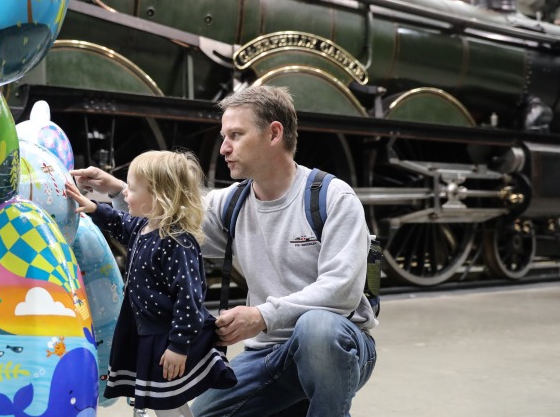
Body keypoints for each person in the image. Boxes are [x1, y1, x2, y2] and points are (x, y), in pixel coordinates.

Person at [71, 85, 378, 416]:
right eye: (223, 136)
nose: (223, 148)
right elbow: (168, 216)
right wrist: (120, 189)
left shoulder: (331, 198)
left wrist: (262, 315)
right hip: (265, 354)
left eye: (235, 135)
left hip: (337, 346)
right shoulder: (232, 202)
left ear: (274, 133)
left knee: (317, 328)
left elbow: (342, 289)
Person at [65, 150, 237, 417]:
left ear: (159, 197)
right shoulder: (144, 228)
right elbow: (121, 222)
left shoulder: (177, 241)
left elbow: (189, 299)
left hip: (165, 337)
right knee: (161, 401)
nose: (125, 193)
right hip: (147, 333)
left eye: (132, 189)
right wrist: (96, 209)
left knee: (164, 403)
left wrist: (179, 346)